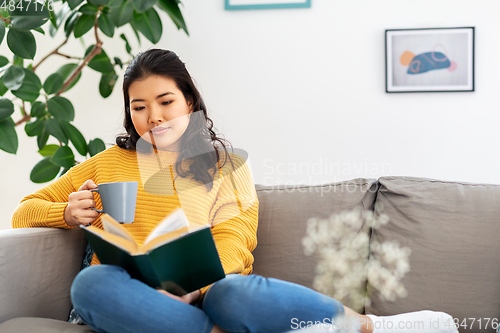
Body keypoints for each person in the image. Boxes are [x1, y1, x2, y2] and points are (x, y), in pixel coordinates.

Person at [11, 49, 459, 333]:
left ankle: (365, 326)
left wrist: (191, 287)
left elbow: (235, 239)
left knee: (232, 294)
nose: (154, 116)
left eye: (165, 101)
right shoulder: (104, 162)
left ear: (189, 100)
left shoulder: (226, 165)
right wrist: (67, 214)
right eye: (139, 106)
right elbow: (23, 211)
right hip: (127, 295)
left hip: (203, 294)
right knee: (90, 283)